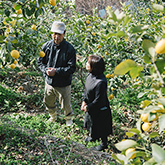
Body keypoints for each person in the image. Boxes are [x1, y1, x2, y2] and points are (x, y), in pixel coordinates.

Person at [37, 21, 76, 126]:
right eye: (54, 33)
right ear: (51, 34)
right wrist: (46, 70)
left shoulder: (69, 49)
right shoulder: (46, 46)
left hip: (63, 83)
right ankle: (53, 116)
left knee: (65, 104)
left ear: (64, 33)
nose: (56, 36)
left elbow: (71, 68)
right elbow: (40, 61)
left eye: (59, 34)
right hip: (49, 82)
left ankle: (68, 119)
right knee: (48, 101)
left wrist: (57, 71)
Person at [81, 55, 113, 151]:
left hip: (100, 108)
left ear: (93, 67)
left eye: (88, 63)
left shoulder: (100, 82)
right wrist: (84, 101)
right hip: (91, 105)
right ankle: (93, 137)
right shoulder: (90, 75)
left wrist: (89, 106)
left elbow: (99, 100)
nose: (86, 64)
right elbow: (86, 90)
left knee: (101, 126)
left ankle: (104, 144)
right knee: (91, 123)